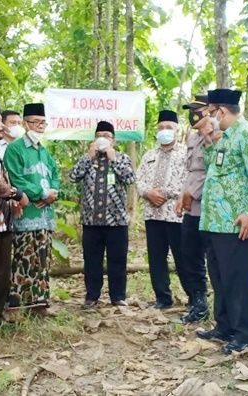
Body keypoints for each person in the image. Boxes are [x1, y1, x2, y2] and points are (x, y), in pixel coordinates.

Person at [196, 89, 248, 354]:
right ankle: (224, 326)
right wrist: (208, 140)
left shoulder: (247, 135)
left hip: (237, 224)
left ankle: (243, 334)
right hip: (215, 222)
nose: (208, 117)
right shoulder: (225, 137)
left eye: (210, 112)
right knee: (220, 278)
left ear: (221, 111)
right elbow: (214, 169)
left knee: (238, 281)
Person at [70, 121, 135, 309]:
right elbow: (73, 177)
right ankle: (92, 295)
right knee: (92, 261)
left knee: (117, 260)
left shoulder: (121, 158)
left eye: (107, 136)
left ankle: (118, 296)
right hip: (91, 221)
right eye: (99, 135)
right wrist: (87, 157)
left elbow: (130, 178)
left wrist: (113, 159)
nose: (103, 139)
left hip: (116, 221)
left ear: (113, 140)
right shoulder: (88, 159)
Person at [4, 103, 60, 312]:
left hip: (45, 214)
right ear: (26, 123)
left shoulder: (44, 152)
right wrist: (40, 193)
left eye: (43, 122)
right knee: (24, 259)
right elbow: (15, 179)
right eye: (36, 122)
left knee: (43, 259)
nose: (40, 126)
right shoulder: (15, 149)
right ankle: (18, 304)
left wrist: (52, 193)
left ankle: (40, 303)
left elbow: (55, 175)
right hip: (26, 214)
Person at [0, 103, 29, 328]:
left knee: (2, 273)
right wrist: (17, 194)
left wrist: (12, 201)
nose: (2, 126)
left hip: (4, 219)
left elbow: (3, 180)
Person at [136, 110, 187, 309]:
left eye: (169, 128)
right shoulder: (149, 155)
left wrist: (165, 193)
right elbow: (138, 180)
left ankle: (194, 298)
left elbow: (190, 181)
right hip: (152, 214)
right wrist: (148, 193)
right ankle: (163, 298)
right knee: (156, 258)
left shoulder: (186, 154)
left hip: (176, 214)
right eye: (161, 128)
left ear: (177, 130)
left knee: (182, 257)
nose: (164, 131)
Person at [174, 95, 211, 323]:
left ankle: (210, 304)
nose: (193, 114)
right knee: (189, 256)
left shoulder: (215, 137)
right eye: (190, 110)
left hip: (207, 208)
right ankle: (198, 302)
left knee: (210, 259)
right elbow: (191, 172)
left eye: (197, 109)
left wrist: (192, 194)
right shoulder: (193, 138)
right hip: (190, 208)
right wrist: (182, 196)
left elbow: (211, 173)